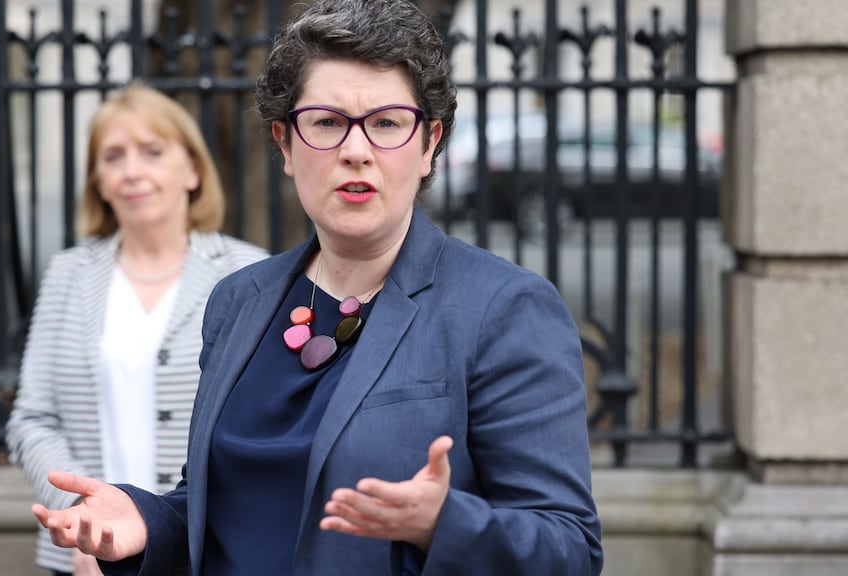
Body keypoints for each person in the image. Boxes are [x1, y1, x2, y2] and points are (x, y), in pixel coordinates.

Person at [31, 0, 603, 574]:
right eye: (327, 123)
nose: (356, 151)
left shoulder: (502, 308)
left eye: (385, 123)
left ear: (428, 144)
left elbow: (568, 546)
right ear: (285, 143)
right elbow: (221, 510)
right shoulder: (239, 300)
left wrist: (441, 524)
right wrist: (146, 521)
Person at [6, 83, 268, 576]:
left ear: (192, 169)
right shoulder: (68, 274)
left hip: (206, 552)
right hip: (82, 557)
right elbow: (32, 418)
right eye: (113, 156)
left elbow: (263, 425)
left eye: (152, 151)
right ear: (98, 181)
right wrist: (87, 521)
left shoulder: (250, 274)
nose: (132, 172)